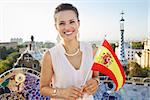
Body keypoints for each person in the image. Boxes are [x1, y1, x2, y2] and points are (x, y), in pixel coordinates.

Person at [40, 3, 99, 100]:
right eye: (62, 23)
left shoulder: (91, 50)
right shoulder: (50, 55)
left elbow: (96, 77)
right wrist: (61, 93)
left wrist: (95, 83)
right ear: (56, 26)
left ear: (78, 23)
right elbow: (43, 88)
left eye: (71, 22)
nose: (67, 27)